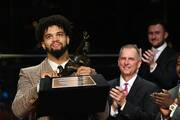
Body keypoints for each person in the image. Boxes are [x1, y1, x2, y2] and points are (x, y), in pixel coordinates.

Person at [11, 14, 109, 120]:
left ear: (67, 39)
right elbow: (17, 111)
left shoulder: (88, 72)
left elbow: (103, 116)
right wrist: (41, 86)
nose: (55, 39)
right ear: (43, 44)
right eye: (49, 36)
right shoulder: (29, 74)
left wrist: (92, 84)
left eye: (60, 34)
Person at [108, 44, 160, 120]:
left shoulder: (151, 89)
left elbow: (150, 118)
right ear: (118, 62)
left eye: (131, 59)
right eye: (123, 58)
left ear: (139, 64)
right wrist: (113, 109)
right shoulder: (108, 86)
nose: (126, 62)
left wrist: (124, 104)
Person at [139, 18, 178, 90]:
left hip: (161, 99)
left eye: (157, 33)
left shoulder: (175, 55)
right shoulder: (142, 53)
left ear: (165, 35)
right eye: (150, 33)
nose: (153, 37)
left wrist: (152, 65)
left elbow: (170, 83)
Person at [152, 55, 180, 120]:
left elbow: (172, 106)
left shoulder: (169, 100)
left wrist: (171, 105)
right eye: (179, 63)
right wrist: (165, 117)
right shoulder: (170, 93)